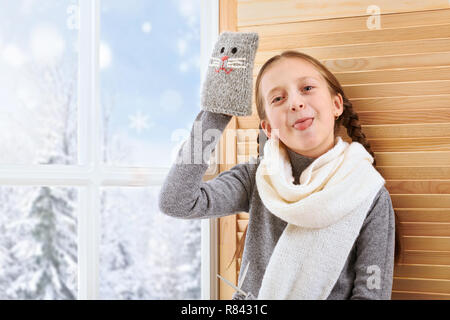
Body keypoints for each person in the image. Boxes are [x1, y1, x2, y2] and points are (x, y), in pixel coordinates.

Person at [158, 50, 401, 300]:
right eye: (278, 99)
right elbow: (177, 201)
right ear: (267, 127)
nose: (295, 103)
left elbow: (371, 295)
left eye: (307, 88)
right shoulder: (256, 178)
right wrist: (216, 114)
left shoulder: (368, 194)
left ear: (336, 105)